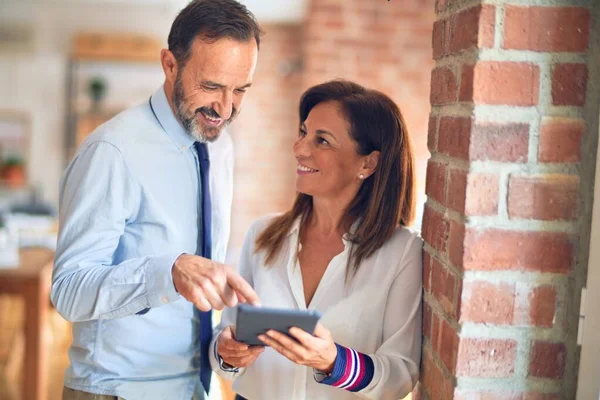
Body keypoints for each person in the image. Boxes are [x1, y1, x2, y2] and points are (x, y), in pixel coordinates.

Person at [51, 1, 262, 399]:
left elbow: (195, 295)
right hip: (116, 392)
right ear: (169, 64)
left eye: (240, 90)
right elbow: (68, 290)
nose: (226, 107)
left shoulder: (219, 147)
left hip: (197, 390)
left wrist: (225, 348)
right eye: (212, 86)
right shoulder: (112, 151)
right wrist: (167, 273)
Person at [211, 80, 423, 400]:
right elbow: (223, 342)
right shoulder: (262, 237)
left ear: (367, 163)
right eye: (303, 132)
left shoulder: (402, 251)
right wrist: (226, 352)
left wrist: (333, 361)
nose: (299, 148)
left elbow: (401, 375)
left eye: (321, 140)